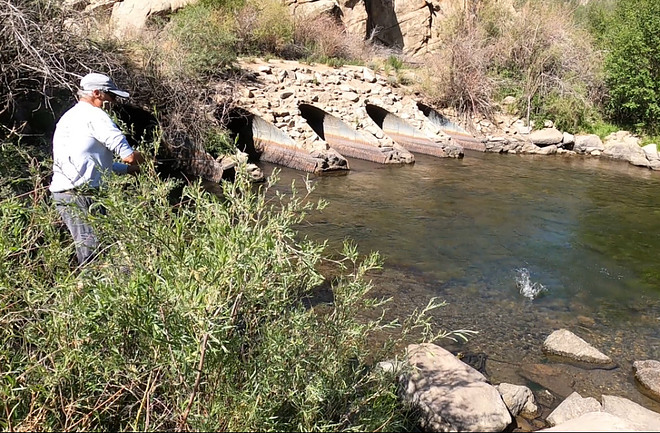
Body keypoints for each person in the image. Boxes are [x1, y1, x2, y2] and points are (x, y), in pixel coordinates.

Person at [50, 72, 145, 266]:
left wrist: (127, 171)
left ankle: (104, 288)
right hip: (82, 196)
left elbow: (91, 162)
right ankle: (88, 290)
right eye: (111, 95)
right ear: (96, 93)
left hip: (67, 195)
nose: (114, 101)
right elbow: (127, 154)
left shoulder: (68, 118)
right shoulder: (96, 116)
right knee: (92, 250)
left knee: (100, 247)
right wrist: (145, 160)